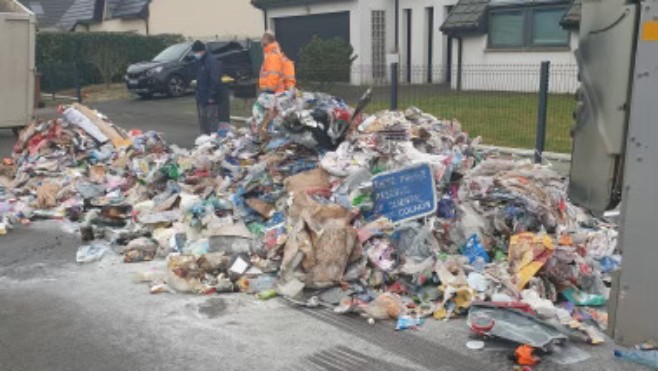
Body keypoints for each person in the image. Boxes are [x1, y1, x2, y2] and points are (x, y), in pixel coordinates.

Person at [191, 40, 222, 135]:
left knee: (212, 119)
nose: (195, 55)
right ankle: (205, 138)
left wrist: (211, 96)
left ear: (201, 51)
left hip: (210, 98)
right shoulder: (200, 61)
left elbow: (214, 80)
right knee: (203, 120)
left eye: (196, 52)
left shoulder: (211, 61)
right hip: (202, 97)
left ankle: (213, 139)